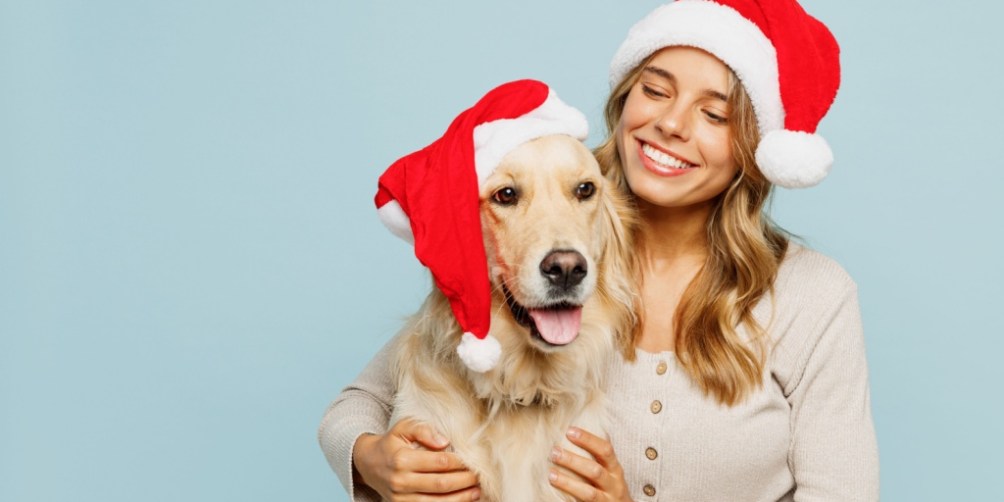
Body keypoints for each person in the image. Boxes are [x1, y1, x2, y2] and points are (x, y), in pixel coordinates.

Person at [319, 0, 879, 500]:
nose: (671, 123)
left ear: (755, 148)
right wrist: (371, 461)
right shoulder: (550, 226)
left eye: (715, 114)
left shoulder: (813, 297)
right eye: (655, 90)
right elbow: (362, 400)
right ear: (623, 100)